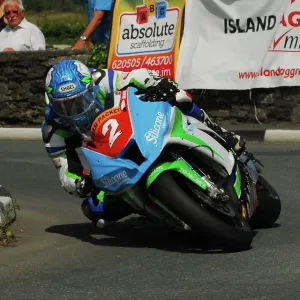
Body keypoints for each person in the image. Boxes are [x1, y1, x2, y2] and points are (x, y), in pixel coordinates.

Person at [43, 60, 246, 227]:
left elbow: (135, 76)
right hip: (111, 161)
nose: (75, 110)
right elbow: (64, 168)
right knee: (93, 208)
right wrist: (78, 183)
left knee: (179, 96)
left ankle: (221, 132)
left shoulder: (102, 80)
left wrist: (154, 82)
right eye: (64, 107)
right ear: (51, 104)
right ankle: (152, 209)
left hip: (136, 127)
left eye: (81, 100)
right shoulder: (53, 128)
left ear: (91, 89)